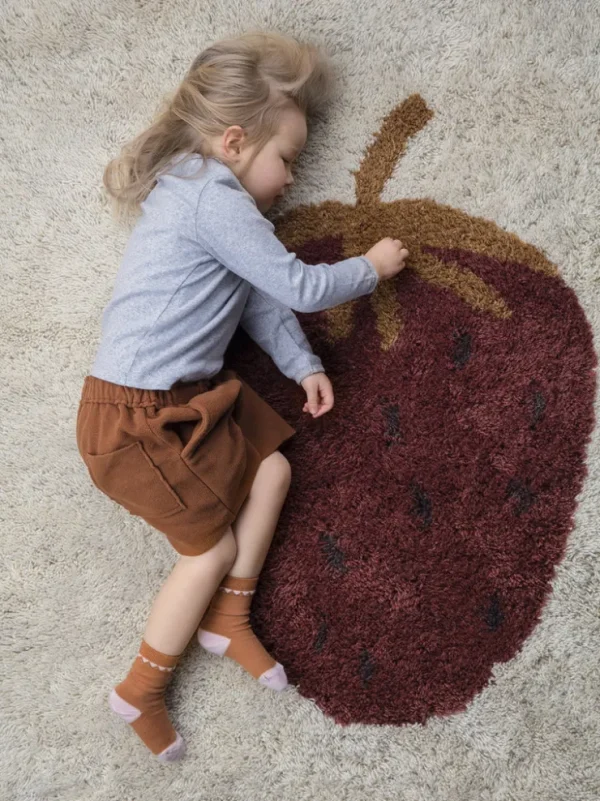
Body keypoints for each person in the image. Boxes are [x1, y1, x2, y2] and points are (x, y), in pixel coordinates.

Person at [75, 29, 409, 762]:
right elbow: (294, 283)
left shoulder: (217, 202)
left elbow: (259, 300)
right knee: (209, 545)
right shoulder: (210, 195)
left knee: (274, 468)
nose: (291, 177)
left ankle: (229, 616)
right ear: (233, 141)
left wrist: (299, 363)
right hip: (135, 417)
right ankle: (140, 688)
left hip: (181, 398)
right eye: (286, 158)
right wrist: (372, 267)